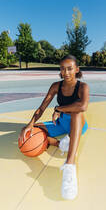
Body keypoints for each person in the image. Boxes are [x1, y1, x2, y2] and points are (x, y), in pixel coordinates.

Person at [19, 54, 89, 200]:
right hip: (62, 122)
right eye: (63, 69)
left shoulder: (83, 87)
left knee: (76, 113)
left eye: (70, 69)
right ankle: (61, 143)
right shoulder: (56, 86)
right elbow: (41, 108)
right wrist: (30, 124)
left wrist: (59, 109)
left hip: (78, 124)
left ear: (77, 69)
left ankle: (69, 166)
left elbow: (82, 106)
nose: (66, 73)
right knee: (33, 131)